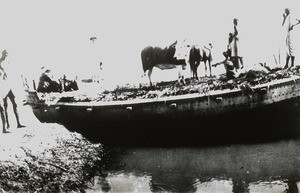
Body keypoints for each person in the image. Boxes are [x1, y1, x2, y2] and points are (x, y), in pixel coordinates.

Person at [0, 50, 25, 130]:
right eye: (5, 54)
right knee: (5, 106)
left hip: (9, 85)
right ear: (2, 54)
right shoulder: (0, 62)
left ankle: (18, 123)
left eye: (7, 54)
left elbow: (11, 73)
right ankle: (7, 125)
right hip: (3, 86)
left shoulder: (8, 62)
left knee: (15, 104)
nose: (6, 55)